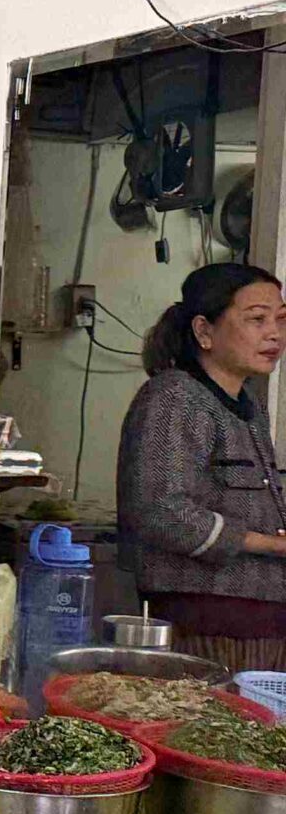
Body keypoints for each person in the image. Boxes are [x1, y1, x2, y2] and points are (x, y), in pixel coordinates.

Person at [117, 262, 286, 670]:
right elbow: (160, 511)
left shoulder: (250, 407)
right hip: (203, 625)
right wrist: (271, 544)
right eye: (256, 319)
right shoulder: (175, 399)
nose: (274, 334)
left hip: (260, 624)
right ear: (204, 331)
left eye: (280, 320)